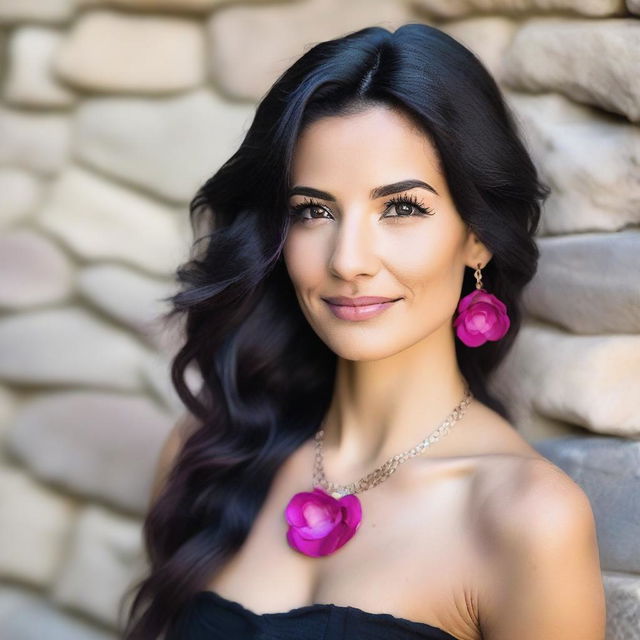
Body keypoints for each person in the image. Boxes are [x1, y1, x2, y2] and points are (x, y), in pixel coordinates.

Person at [119, 22, 606, 640]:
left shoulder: (526, 516)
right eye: (312, 212)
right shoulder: (208, 452)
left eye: (401, 208)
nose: (348, 260)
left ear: (477, 235)